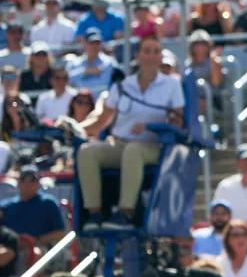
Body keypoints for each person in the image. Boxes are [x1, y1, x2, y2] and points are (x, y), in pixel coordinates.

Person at [74, 36, 183, 230]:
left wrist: (150, 126)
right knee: (86, 151)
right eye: (146, 51)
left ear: (160, 57)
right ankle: (95, 214)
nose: (151, 56)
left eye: (155, 51)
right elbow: (101, 122)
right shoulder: (122, 86)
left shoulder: (172, 86)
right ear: (138, 56)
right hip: (120, 143)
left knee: (133, 150)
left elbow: (178, 121)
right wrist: (72, 128)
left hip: (153, 146)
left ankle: (125, 213)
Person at [0, 166, 66, 250]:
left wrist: (35, 241)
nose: (28, 184)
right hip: (10, 249)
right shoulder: (5, 206)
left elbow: (60, 232)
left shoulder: (48, 202)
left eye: (32, 181)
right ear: (18, 183)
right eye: (24, 180)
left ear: (38, 184)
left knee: (36, 252)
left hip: (39, 248)